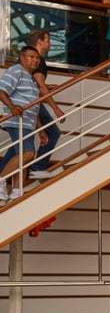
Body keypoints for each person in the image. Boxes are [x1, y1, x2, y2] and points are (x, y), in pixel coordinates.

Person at [0, 46, 47, 202]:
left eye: (37, 58)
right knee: (28, 153)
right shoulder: (16, 71)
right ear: (21, 57)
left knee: (21, 156)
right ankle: (1, 181)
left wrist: (40, 129)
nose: (35, 60)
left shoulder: (31, 79)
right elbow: (1, 90)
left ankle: (16, 190)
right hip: (17, 121)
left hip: (28, 123)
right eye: (31, 57)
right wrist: (12, 107)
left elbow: (33, 106)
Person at [24, 29, 63, 180]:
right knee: (52, 132)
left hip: (28, 101)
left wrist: (50, 87)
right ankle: (38, 167)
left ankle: (37, 167)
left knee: (18, 149)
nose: (50, 44)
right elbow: (39, 86)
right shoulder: (37, 59)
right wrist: (56, 108)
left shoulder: (29, 58)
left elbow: (34, 83)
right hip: (32, 102)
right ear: (40, 41)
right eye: (48, 40)